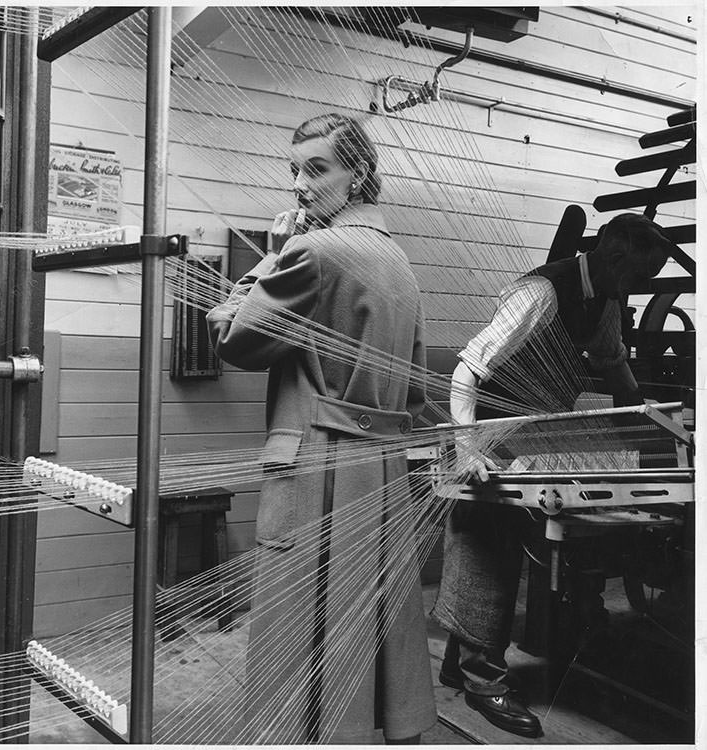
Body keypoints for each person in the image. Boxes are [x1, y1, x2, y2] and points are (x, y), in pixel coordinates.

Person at [207, 113, 436, 744]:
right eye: (295, 171)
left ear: (358, 174)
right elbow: (415, 388)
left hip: (316, 462)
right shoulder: (398, 260)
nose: (302, 187)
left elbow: (233, 339)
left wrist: (271, 257)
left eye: (318, 168)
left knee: (296, 615)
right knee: (365, 614)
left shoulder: (312, 251)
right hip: (381, 468)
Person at [431, 212, 674, 738]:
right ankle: (483, 680)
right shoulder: (542, 292)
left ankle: (461, 663)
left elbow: (613, 364)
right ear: (614, 256)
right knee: (486, 549)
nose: (640, 290)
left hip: (532, 433)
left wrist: (651, 422)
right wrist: (469, 445)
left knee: (510, 540)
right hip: (491, 433)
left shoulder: (606, 298)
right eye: (639, 278)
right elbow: (467, 369)